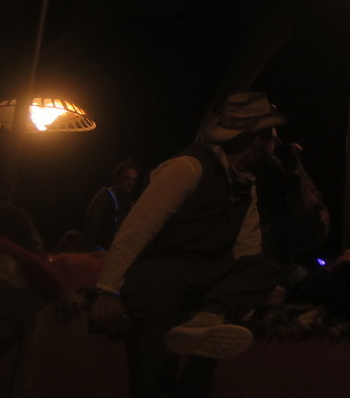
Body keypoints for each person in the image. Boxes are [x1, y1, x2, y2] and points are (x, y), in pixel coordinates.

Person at [89, 92, 285, 398]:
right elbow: (136, 230)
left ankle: (210, 317)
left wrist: (250, 290)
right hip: (163, 274)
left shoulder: (245, 185)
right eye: (272, 137)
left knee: (264, 268)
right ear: (257, 141)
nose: (277, 144)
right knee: (155, 379)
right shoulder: (189, 167)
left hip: (207, 275)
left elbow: (247, 250)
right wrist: (107, 290)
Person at [83, 158, 141, 250]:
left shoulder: (129, 203)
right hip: (99, 251)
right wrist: (90, 252)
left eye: (134, 180)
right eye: (127, 178)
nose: (131, 183)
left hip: (116, 252)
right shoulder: (104, 197)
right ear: (118, 178)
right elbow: (91, 228)